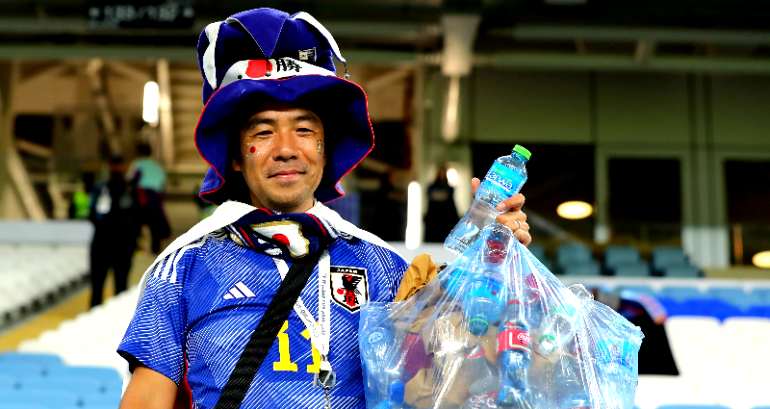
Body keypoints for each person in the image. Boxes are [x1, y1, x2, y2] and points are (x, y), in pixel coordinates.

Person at [117, 9, 531, 409]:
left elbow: (454, 381)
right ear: (236, 157)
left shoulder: (383, 265)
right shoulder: (183, 269)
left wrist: (492, 262)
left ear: (325, 148)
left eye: (303, 129)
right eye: (263, 131)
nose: (285, 150)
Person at [89, 155, 141, 307]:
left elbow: (137, 218)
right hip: (101, 244)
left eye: (119, 165)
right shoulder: (100, 189)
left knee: (121, 286)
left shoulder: (131, 191)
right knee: (97, 286)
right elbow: (93, 215)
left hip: (123, 245)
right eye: (113, 165)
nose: (116, 168)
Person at [127, 143, 170, 253]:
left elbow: (130, 179)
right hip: (156, 197)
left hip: (142, 195)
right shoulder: (158, 166)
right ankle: (155, 249)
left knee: (136, 222)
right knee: (154, 223)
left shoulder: (137, 164)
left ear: (139, 153)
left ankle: (135, 246)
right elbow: (163, 184)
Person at [424, 165, 460, 242]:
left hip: (445, 219)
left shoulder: (449, 188)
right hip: (433, 218)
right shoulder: (431, 186)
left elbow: (447, 198)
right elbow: (431, 195)